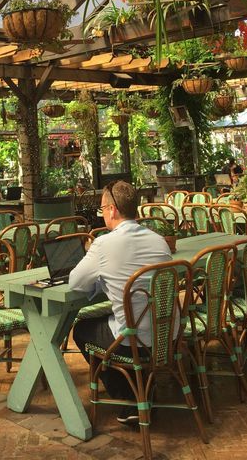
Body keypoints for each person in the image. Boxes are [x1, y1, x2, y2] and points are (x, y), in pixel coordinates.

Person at [68, 180, 172, 425]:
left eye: (102, 209)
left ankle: (130, 397)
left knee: (82, 329)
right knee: (114, 320)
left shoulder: (104, 243)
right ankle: (143, 384)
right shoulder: (159, 240)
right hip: (166, 334)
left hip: (133, 341)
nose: (102, 214)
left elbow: (75, 283)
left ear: (112, 210)